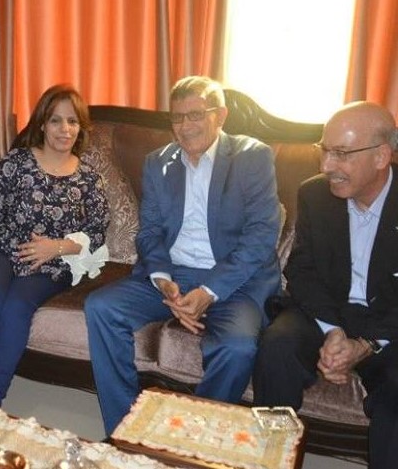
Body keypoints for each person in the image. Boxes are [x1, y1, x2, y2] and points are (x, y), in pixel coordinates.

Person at [252, 102, 398, 469]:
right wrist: (334, 331)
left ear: (381, 156)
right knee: (277, 347)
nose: (326, 166)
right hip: (328, 313)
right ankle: (269, 459)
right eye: (324, 150)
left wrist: (364, 344)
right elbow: (301, 270)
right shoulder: (315, 195)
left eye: (341, 154)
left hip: (397, 328)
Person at [85, 75, 281, 435]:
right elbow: (150, 232)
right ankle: (124, 431)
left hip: (234, 282)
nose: (185, 126)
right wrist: (164, 282)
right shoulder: (158, 162)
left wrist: (209, 292)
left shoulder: (251, 156)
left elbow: (260, 237)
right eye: (177, 117)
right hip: (173, 275)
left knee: (237, 349)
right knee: (101, 307)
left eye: (196, 115)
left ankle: (190, 437)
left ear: (220, 116)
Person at [0, 84, 110, 407]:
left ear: (81, 128)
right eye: (56, 120)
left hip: (52, 264)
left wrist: (56, 247)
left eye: (72, 121)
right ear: (42, 123)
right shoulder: (17, 162)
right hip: (5, 249)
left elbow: (97, 232)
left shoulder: (90, 179)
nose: (65, 129)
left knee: (16, 308)